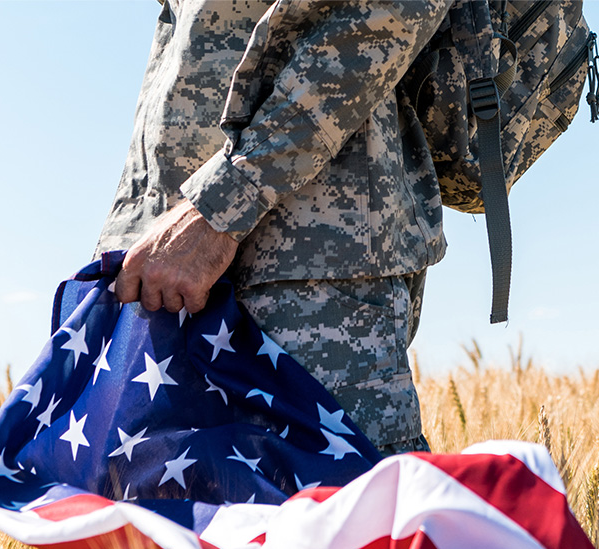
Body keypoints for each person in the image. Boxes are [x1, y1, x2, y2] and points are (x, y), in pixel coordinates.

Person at [94, 0, 452, 455]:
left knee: (340, 515)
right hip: (162, 268)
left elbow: (394, 10)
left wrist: (220, 206)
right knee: (163, 518)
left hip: (308, 269)